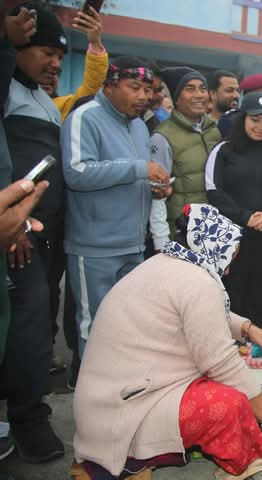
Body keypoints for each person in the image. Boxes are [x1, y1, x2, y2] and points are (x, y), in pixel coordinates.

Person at [71, 203, 262, 479]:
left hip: (107, 401)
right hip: (122, 414)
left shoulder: (169, 263)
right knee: (230, 403)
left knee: (228, 384)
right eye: (232, 250)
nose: (233, 260)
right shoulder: (197, 282)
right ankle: (246, 462)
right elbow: (221, 362)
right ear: (214, 246)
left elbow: (200, 316)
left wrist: (248, 328)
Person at [61, 56, 169, 357]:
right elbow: (77, 172)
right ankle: (90, 399)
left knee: (127, 327)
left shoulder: (138, 127)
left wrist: (153, 189)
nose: (144, 97)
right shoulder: (85, 117)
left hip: (133, 245)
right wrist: (139, 169)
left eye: (148, 90)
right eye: (135, 88)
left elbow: (131, 174)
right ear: (109, 86)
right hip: (94, 246)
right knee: (94, 327)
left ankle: (118, 395)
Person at [2, 1, 67, 463]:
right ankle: (28, 417)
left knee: (38, 329)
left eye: (60, 55)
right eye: (46, 50)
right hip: (15, 235)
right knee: (25, 326)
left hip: (49, 237)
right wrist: (14, 225)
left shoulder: (45, 102)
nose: (54, 63)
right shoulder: (5, 92)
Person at [205, 92, 262, 330]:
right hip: (232, 241)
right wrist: (246, 217)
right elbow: (213, 191)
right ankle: (230, 345)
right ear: (242, 119)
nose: (261, 127)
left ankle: (258, 342)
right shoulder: (223, 150)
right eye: (255, 120)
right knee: (233, 292)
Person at [148, 66, 221, 250]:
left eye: (202, 88)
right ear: (177, 98)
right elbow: (157, 195)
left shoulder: (213, 131)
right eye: (190, 89)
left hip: (211, 231)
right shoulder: (162, 136)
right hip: (180, 235)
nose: (199, 95)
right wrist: (161, 242)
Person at [45, 5, 107, 121]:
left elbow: (92, 88)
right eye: (48, 54)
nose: (55, 65)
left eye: (55, 75)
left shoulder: (63, 106)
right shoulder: (10, 96)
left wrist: (95, 43)